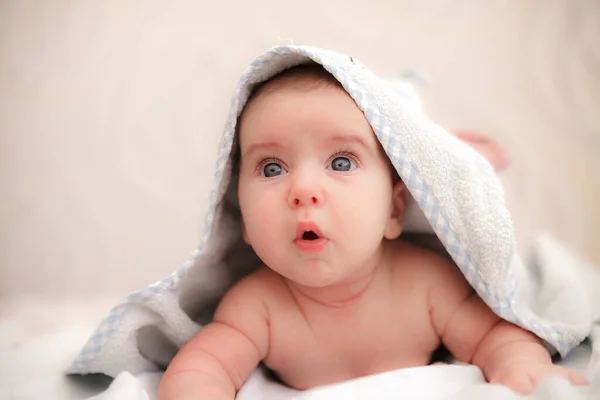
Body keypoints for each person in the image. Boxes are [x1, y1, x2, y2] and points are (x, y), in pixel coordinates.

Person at [157, 63, 587, 400]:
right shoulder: (257, 307)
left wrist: (516, 361)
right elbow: (202, 367)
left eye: (341, 162)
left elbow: (494, 335)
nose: (303, 190)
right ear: (242, 219)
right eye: (272, 167)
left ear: (395, 209)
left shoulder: (425, 285)